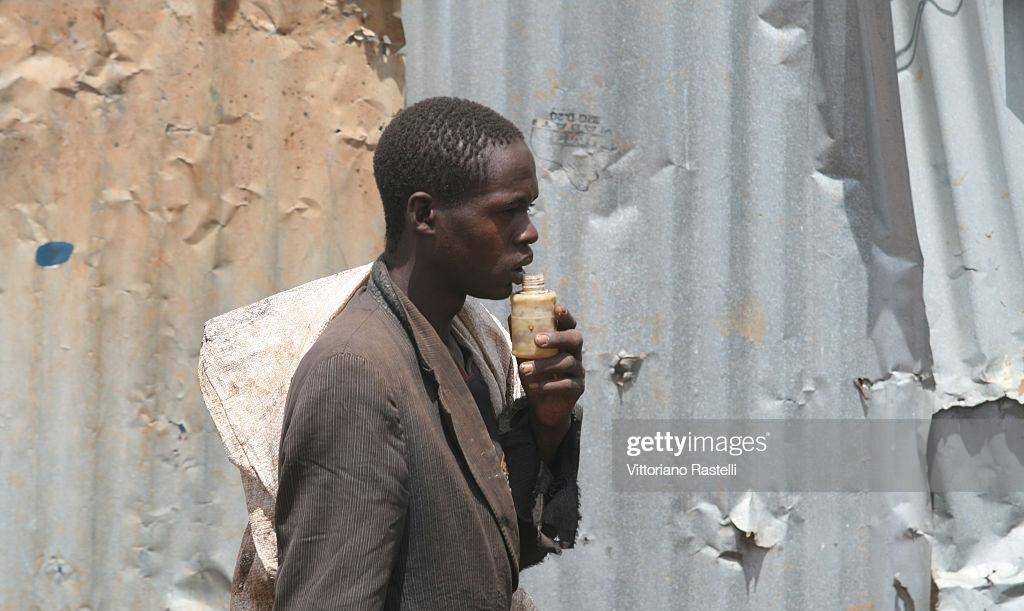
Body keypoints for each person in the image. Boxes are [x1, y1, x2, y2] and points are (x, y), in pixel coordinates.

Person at [273, 96, 586, 609]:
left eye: (527, 209)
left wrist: (547, 424)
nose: (529, 232)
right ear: (425, 215)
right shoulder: (356, 373)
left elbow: (491, 551)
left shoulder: (472, 352)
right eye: (507, 211)